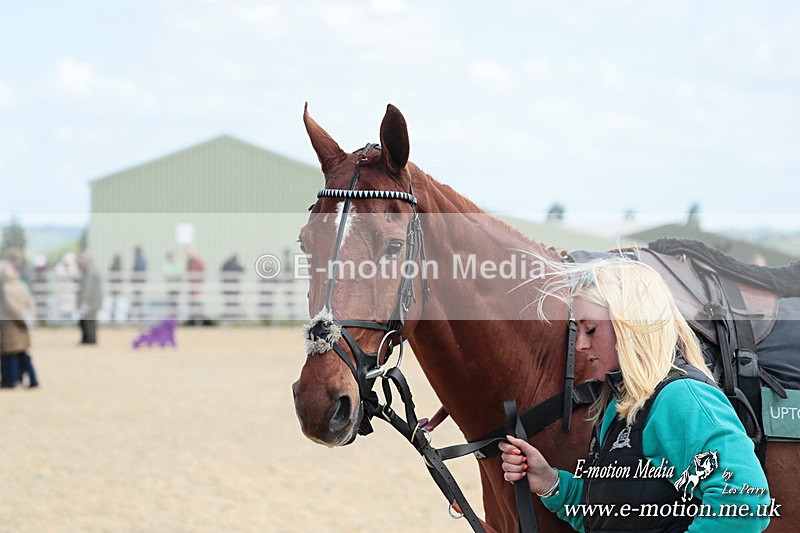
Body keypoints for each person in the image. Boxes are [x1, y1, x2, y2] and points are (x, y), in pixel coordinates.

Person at [499, 258, 771, 532]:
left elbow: (746, 505)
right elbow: (613, 516)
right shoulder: (618, 406)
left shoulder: (681, 398)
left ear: (630, 325)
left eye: (590, 329)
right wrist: (551, 483)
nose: (580, 345)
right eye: (577, 330)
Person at [0, 249, 39, 388]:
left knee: (9, 355)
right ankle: (32, 380)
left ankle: (10, 381)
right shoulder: (22, 285)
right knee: (23, 355)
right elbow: (31, 303)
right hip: (23, 326)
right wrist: (29, 320)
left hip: (10, 325)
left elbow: (10, 306)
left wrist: (21, 319)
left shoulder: (5, 288)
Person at [77, 252, 103, 344]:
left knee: (89, 320)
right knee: (88, 320)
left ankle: (90, 340)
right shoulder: (90, 270)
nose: (80, 261)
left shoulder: (90, 271)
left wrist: (85, 300)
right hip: (92, 301)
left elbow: (88, 287)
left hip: (91, 301)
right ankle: (88, 339)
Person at [220, 253, 244, 320]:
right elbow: (243, 270)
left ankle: (229, 318)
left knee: (228, 303)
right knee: (234, 303)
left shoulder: (226, 264)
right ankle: (233, 318)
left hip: (226, 288)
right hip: (234, 288)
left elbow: (221, 271)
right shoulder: (236, 264)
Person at [130, 245, 147, 321]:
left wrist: (134, 278)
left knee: (137, 299)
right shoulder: (139, 259)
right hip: (138, 282)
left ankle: (136, 316)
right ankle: (138, 316)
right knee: (137, 299)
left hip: (138, 282)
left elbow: (138, 270)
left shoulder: (140, 259)